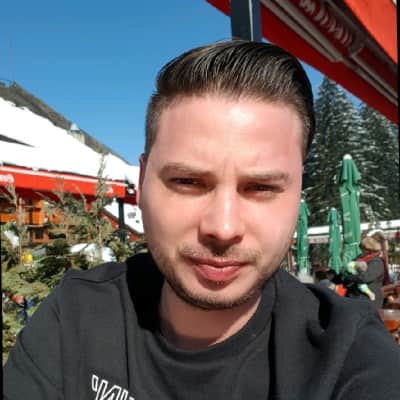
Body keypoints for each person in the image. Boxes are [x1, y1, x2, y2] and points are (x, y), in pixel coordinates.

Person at [4, 40, 400, 399]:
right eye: (188, 182)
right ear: (142, 183)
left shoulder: (348, 358)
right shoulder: (76, 316)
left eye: (261, 187)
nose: (223, 228)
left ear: (297, 196)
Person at [344, 235, 385, 308]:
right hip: (355, 297)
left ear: (369, 249)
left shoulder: (376, 262)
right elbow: (347, 268)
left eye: (362, 248)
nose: (361, 250)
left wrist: (348, 276)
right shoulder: (359, 258)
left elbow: (364, 278)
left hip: (368, 300)